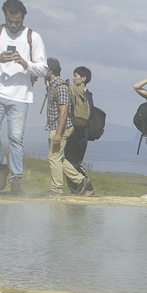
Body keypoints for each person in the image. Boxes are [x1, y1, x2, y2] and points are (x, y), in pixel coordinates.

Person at [0, 0, 47, 195]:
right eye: (10, 21)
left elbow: (43, 69)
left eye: (17, 21)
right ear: (5, 17)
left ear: (23, 17)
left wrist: (25, 63)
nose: (13, 25)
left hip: (20, 95)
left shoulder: (33, 37)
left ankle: (16, 178)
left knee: (16, 137)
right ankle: (1, 164)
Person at [62, 67, 95, 196]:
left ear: (83, 78)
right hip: (76, 132)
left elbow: (88, 115)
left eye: (76, 76)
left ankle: (84, 187)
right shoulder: (75, 93)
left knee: (73, 163)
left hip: (80, 133)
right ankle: (78, 189)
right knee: (72, 162)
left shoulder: (86, 96)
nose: (73, 78)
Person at [44, 57, 73, 195]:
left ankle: (56, 189)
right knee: (58, 157)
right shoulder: (53, 86)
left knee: (54, 157)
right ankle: (80, 180)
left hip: (60, 127)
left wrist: (58, 133)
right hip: (56, 126)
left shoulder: (60, 87)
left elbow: (64, 112)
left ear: (49, 70)